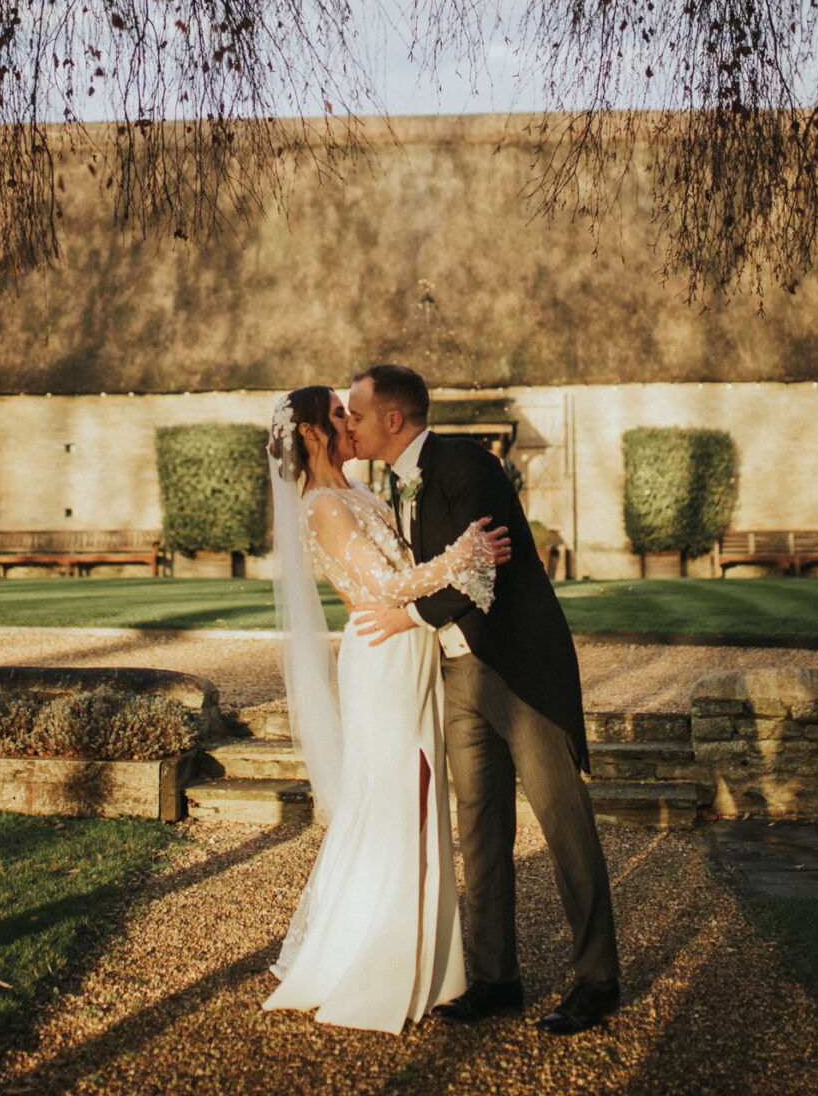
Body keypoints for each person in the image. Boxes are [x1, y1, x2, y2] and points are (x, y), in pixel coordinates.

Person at [347, 363, 622, 1036]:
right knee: (480, 828)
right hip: (458, 676)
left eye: (355, 413)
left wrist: (408, 617)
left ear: (393, 419)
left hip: (518, 670)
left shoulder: (467, 465)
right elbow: (447, 569)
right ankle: (497, 978)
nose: (348, 424)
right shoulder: (394, 483)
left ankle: (598, 980)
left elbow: (485, 571)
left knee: (564, 826)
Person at [261, 384, 511, 1034]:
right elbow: (385, 587)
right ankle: (375, 961)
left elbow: (404, 573)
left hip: (411, 649)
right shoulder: (320, 506)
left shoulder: (362, 493)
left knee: (419, 796)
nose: (354, 423)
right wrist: (463, 558)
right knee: (396, 795)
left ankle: (428, 961)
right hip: (382, 657)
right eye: (341, 415)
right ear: (313, 433)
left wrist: (451, 561)